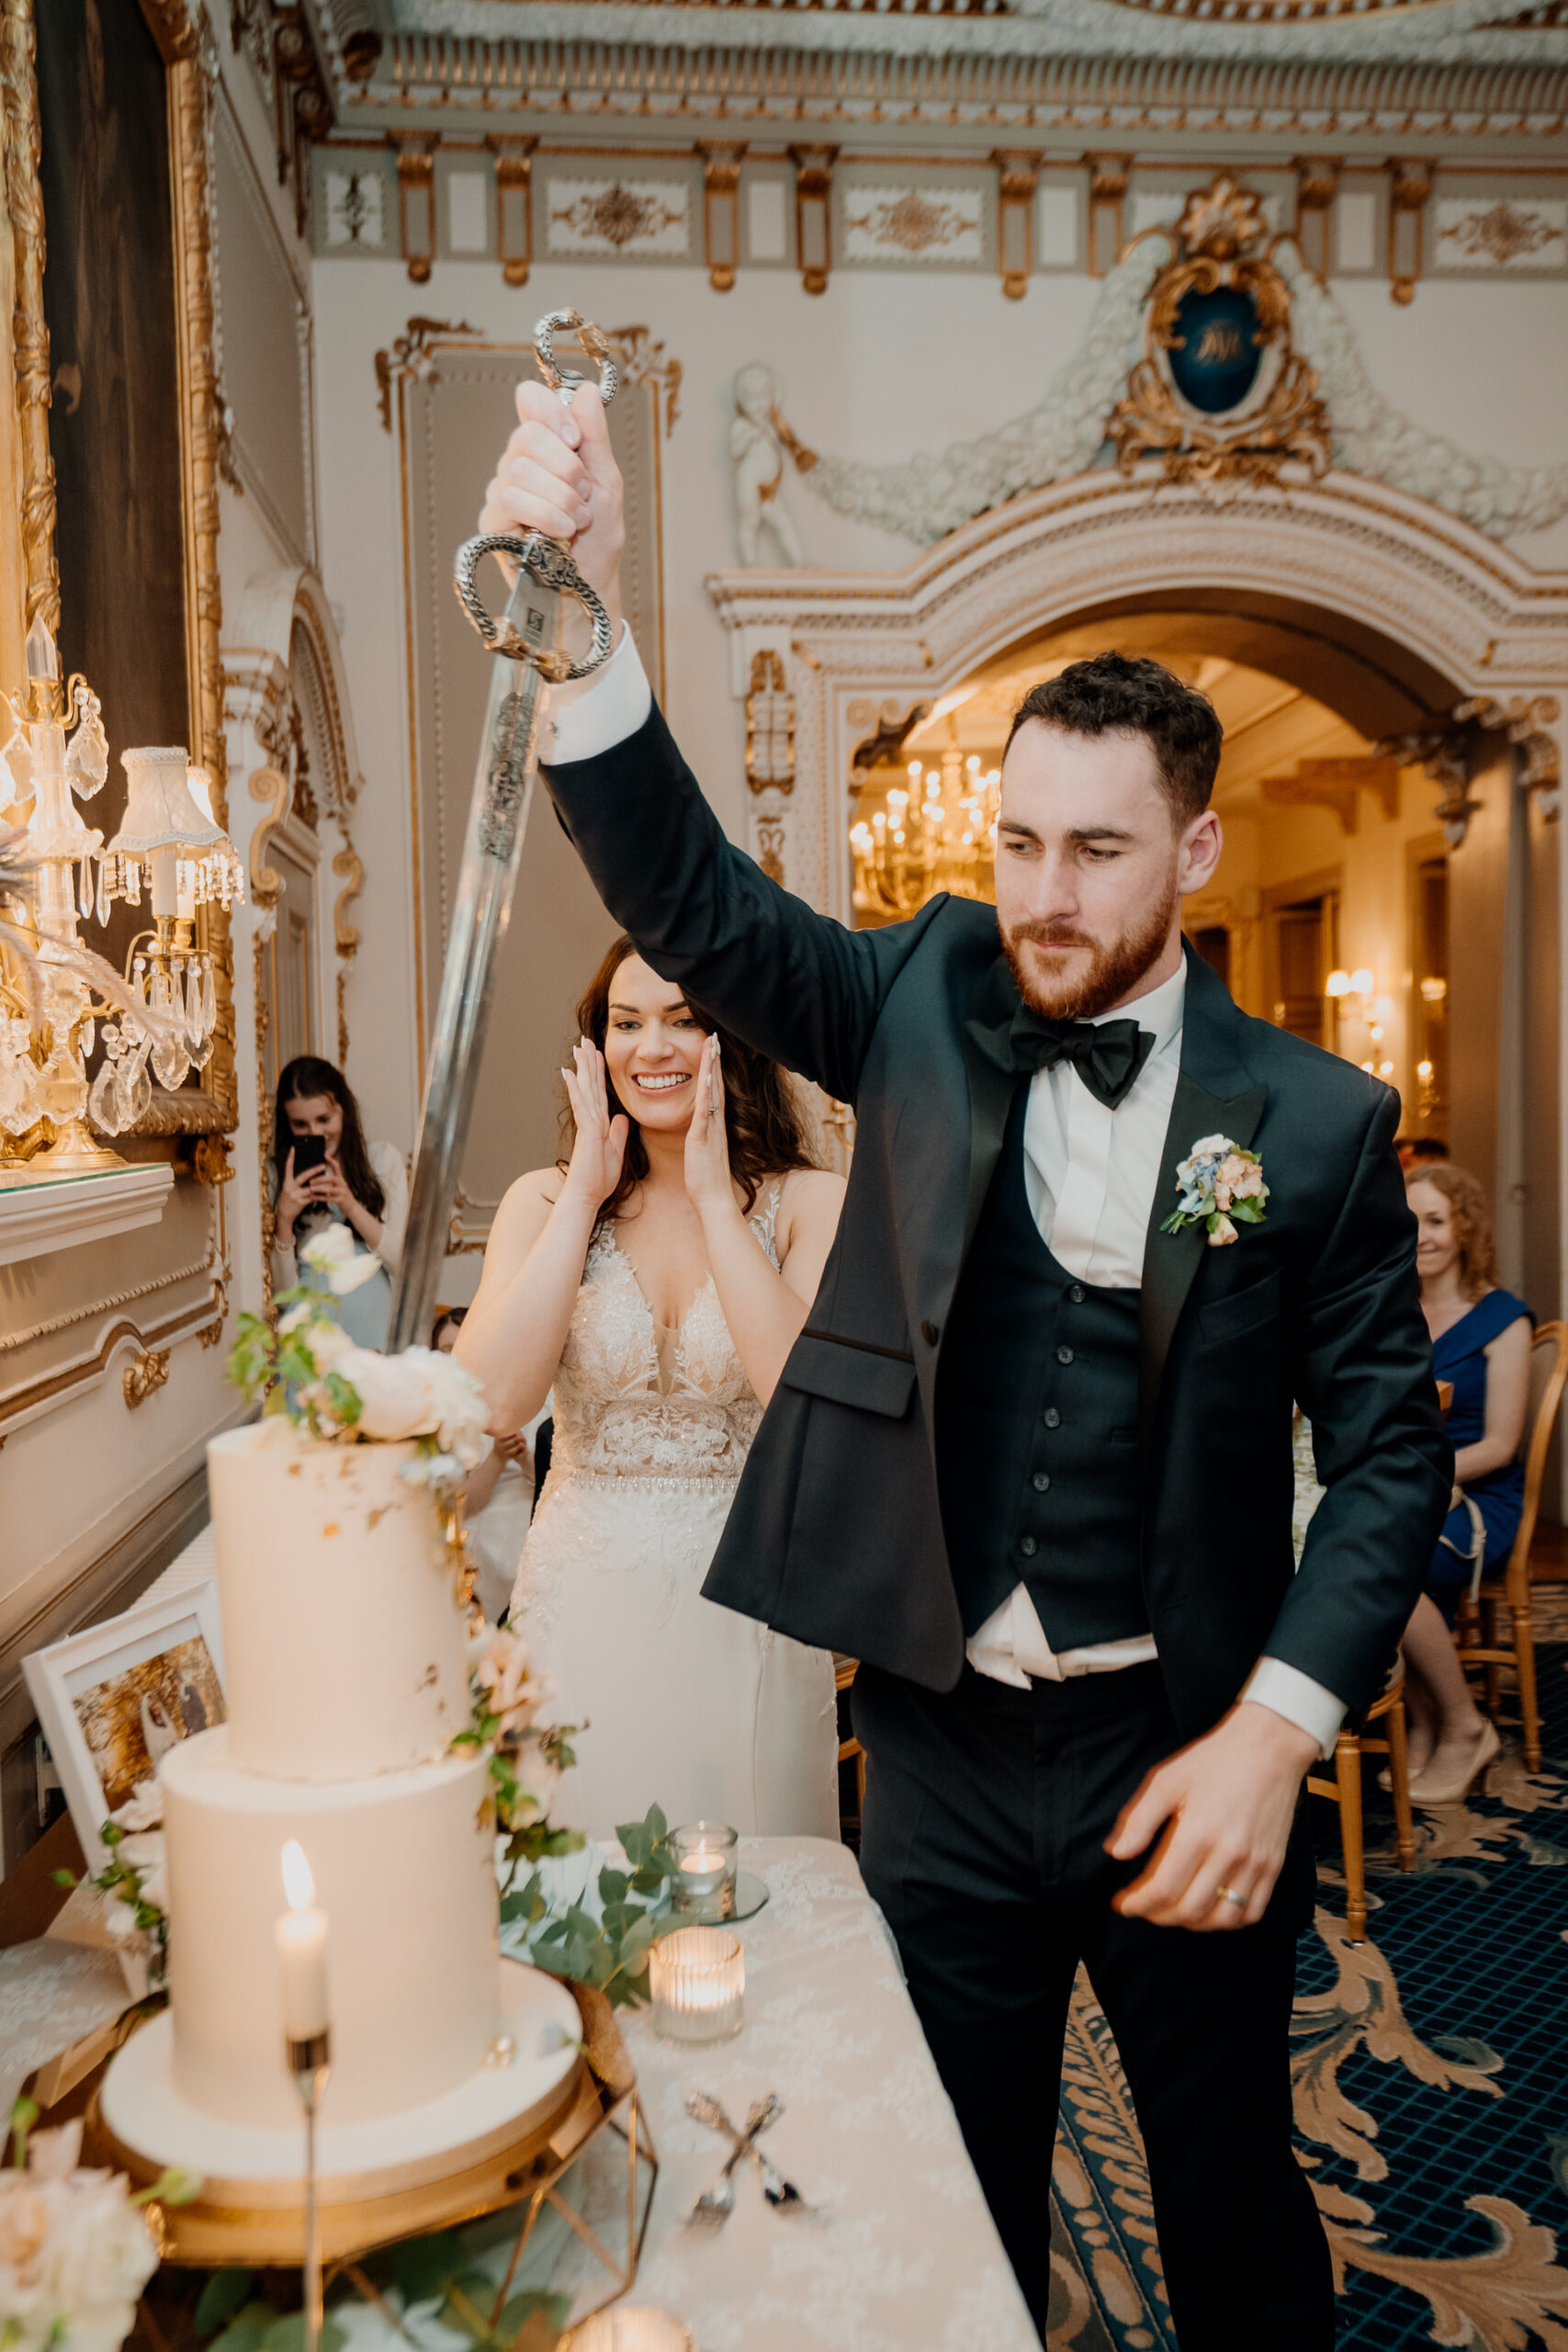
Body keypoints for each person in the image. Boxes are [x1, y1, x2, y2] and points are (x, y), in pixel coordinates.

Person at [478, 380, 1452, 2350]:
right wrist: (578, 625)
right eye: (1014, 841)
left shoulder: (1321, 1125)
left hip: (1179, 1735)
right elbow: (692, 897)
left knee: (1225, 2192)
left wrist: (1273, 1728)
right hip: (933, 1745)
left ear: (1190, 846)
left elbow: (1386, 1465)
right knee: (951, 2187)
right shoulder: (920, 990)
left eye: (1093, 852)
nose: (1039, 895)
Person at [456, 936, 846, 1838]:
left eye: (682, 1019)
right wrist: (585, 1194)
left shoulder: (812, 1202)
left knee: (756, 1906)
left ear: (732, 1036)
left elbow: (803, 1399)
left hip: (750, 1617)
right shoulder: (540, 1202)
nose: (651, 1047)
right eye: (626, 1023)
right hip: (579, 1617)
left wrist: (719, 1203)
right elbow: (492, 1404)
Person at [1397, 1163, 1530, 1803]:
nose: (1419, 1235)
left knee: (1383, 1564)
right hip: (1402, 1489)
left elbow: (1501, 1447)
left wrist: (1421, 1476)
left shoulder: (1502, 1319)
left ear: (1464, 1230)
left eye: (1434, 1221)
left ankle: (1462, 1725)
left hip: (1476, 1494)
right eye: (1408, 1221)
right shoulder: (1390, 1313)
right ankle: (1420, 1720)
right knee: (1337, 1545)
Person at [272, 1057, 406, 1349]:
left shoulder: (382, 1161)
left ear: (344, 1110)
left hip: (373, 1327)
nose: (316, 1133)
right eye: (300, 1124)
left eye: (324, 1119)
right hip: (312, 1337)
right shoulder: (276, 1176)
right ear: (287, 1124)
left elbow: (403, 1264)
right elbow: (283, 1297)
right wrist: (283, 1221)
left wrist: (351, 1206)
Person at [434, 1307, 536, 1623]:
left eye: (461, 1348)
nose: (456, 1360)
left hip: (527, 1497)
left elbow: (547, 1475)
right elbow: (460, 1504)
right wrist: (497, 1458)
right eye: (445, 1352)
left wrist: (521, 1457)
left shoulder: (523, 1391)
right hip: (479, 1503)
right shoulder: (442, 1414)